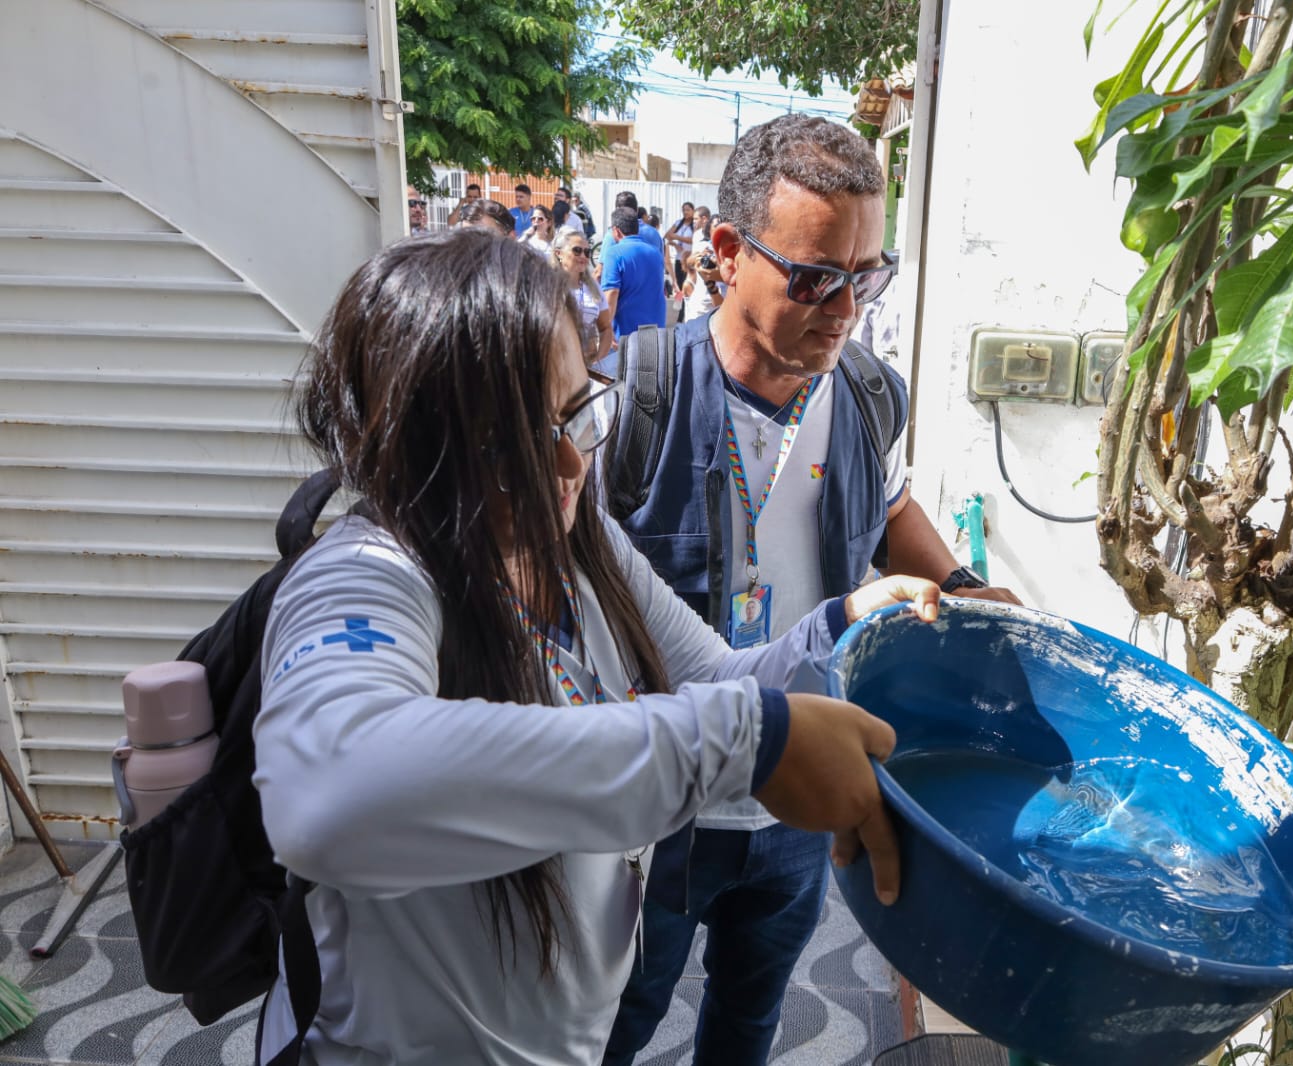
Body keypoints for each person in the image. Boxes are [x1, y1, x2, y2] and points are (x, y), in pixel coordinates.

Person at [252, 228, 933, 1066]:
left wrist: (847, 624)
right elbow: (329, 795)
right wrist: (740, 740)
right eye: (509, 445)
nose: (569, 464)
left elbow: (719, 672)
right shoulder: (361, 576)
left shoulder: (579, 546)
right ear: (408, 444)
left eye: (578, 411)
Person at [601, 114, 1021, 1066]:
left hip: (800, 796)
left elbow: (890, 504)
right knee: (613, 1026)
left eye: (865, 277)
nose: (845, 309)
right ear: (724, 253)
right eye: (817, 277)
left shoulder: (870, 395)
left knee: (751, 1021)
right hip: (661, 805)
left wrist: (958, 582)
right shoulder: (641, 400)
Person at [598, 207, 668, 375]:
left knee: (620, 386)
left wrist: (605, 328)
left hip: (626, 335)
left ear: (616, 230)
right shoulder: (655, 253)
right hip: (655, 332)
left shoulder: (614, 253)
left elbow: (611, 293)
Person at [554, 227, 613, 364]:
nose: (583, 256)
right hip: (556, 368)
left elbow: (605, 328)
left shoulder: (593, 288)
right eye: (577, 250)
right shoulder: (547, 285)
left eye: (587, 252)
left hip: (587, 368)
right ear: (559, 253)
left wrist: (598, 361)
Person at [598, 191, 663, 271]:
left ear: (617, 211)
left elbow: (601, 270)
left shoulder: (613, 234)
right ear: (637, 210)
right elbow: (660, 265)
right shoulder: (654, 233)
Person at [680, 207, 722, 321]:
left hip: (721, 304)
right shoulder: (700, 239)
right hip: (700, 303)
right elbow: (690, 262)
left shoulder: (731, 251)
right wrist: (697, 258)